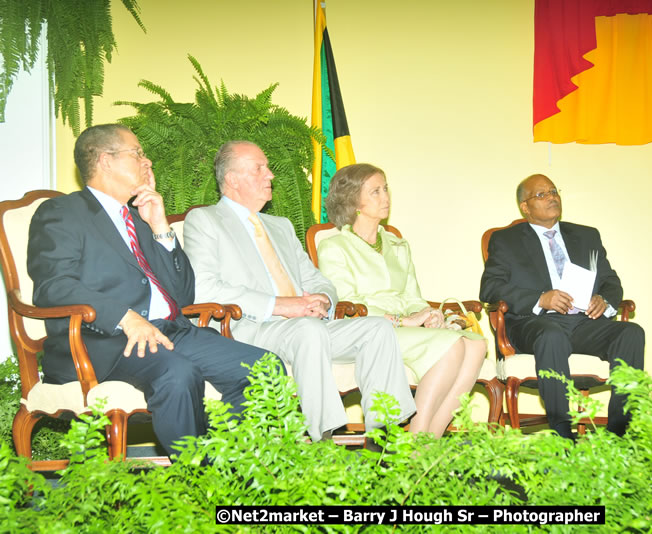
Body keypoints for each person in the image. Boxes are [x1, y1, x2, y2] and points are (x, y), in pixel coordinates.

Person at [27, 124, 275, 457]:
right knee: (178, 372)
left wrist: (160, 226)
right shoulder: (62, 213)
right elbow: (54, 286)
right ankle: (193, 483)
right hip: (105, 342)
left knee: (265, 368)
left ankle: (225, 467)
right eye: (137, 153)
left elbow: (185, 295)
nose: (148, 161)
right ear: (105, 160)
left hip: (174, 333)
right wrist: (124, 317)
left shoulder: (140, 218)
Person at [182, 141, 416, 442]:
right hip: (251, 328)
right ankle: (322, 440)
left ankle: (385, 440)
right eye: (259, 168)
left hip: (307, 325)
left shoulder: (280, 225)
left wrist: (323, 298)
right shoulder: (205, 221)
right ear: (232, 179)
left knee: (378, 329)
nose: (271, 175)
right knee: (308, 330)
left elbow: (316, 279)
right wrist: (282, 305)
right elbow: (204, 287)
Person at [317, 163, 487, 438]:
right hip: (370, 330)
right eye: (375, 191)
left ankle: (429, 441)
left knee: (477, 346)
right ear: (353, 201)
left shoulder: (398, 245)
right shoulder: (334, 246)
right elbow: (345, 305)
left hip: (405, 328)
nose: (385, 197)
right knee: (454, 346)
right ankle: (418, 442)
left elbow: (411, 297)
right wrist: (403, 320)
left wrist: (428, 313)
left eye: (385, 188)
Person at [479, 173, 644, 439]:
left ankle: (620, 434)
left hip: (582, 323)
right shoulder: (506, 240)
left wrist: (604, 300)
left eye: (554, 191)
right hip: (532, 324)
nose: (553, 197)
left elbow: (610, 282)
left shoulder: (587, 236)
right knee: (551, 335)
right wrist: (540, 298)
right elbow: (490, 288)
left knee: (631, 333)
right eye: (542, 194)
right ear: (525, 206)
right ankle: (562, 435)